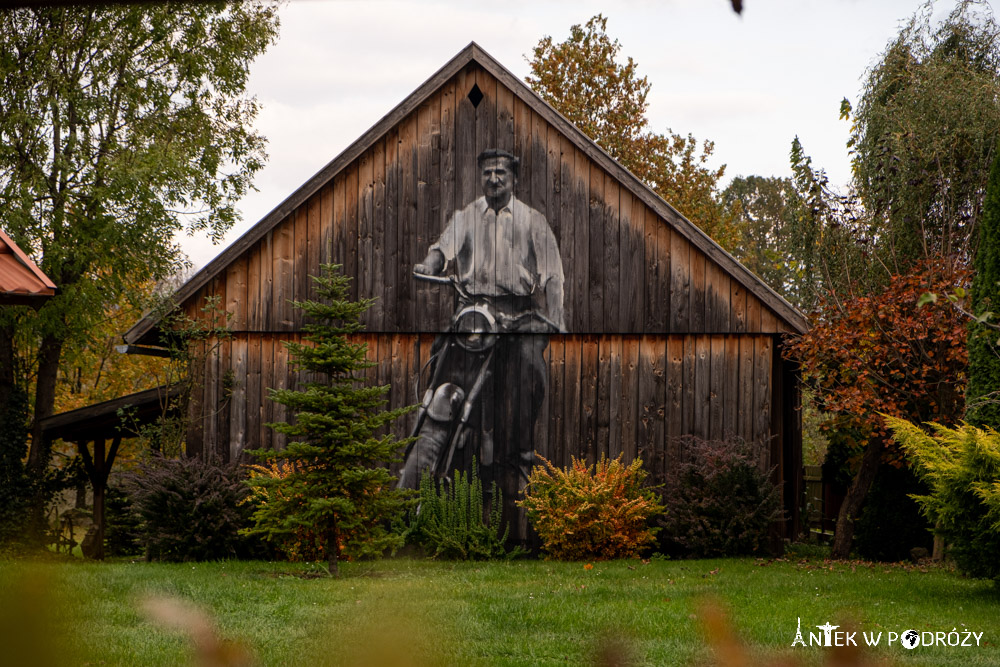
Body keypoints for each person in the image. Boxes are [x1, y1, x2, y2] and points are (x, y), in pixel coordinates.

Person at [401, 148, 565, 489]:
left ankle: (521, 455)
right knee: (440, 350)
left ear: (513, 178)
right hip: (474, 311)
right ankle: (432, 426)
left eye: (500, 173)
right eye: (488, 172)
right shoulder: (466, 217)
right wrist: (428, 265)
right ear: (481, 177)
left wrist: (555, 321)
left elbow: (552, 276)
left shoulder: (532, 221)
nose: (493, 179)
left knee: (528, 370)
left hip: (518, 312)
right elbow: (441, 250)